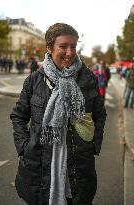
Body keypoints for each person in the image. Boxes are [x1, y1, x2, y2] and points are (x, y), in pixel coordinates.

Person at [10, 23, 107, 205]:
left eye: (73, 47)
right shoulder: (34, 80)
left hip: (78, 166)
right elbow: (19, 116)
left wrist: (94, 144)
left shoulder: (88, 78)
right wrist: (23, 147)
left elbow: (99, 114)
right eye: (63, 46)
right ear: (49, 47)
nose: (70, 53)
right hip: (40, 165)